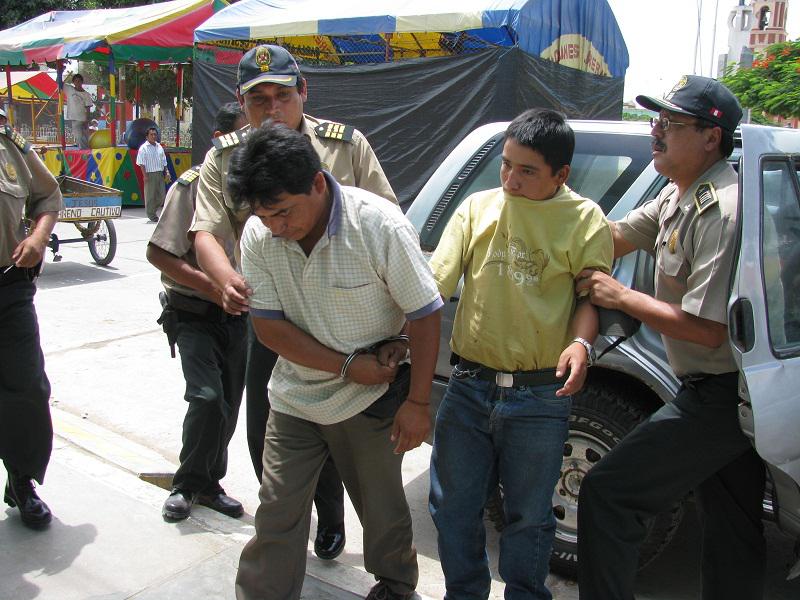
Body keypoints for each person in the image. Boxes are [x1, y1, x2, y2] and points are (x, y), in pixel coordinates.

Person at [190, 43, 396, 560]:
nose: (272, 109)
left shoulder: (345, 148)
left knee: (350, 439)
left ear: (304, 93)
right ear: (242, 102)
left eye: (282, 95)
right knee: (266, 435)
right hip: (273, 320)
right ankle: (304, 516)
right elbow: (207, 232)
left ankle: (341, 525)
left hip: (348, 318)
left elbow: (390, 218)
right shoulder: (225, 156)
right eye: (258, 99)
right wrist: (224, 280)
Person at [228, 123, 441, 600]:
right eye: (266, 216)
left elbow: (425, 315)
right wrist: (346, 366)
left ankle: (395, 585)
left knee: (382, 508)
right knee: (277, 511)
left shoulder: (378, 225)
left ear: (318, 184)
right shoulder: (259, 238)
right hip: (297, 395)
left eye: (284, 212)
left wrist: (419, 403)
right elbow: (269, 328)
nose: (277, 227)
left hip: (371, 394)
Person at [575, 76, 766, 599]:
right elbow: (613, 236)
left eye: (671, 123)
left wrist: (619, 297)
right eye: (657, 120)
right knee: (731, 527)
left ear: (711, 136)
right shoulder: (679, 193)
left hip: (724, 393)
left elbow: (707, 332)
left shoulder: (721, 210)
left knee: (608, 494)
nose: (655, 131)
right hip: (721, 390)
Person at [428, 108, 613, 599]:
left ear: (562, 174)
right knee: (451, 507)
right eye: (506, 165)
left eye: (527, 170)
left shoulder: (584, 220)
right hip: (468, 387)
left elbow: (591, 296)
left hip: (539, 396)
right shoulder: (476, 209)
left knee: (529, 517)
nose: (510, 179)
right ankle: (464, 592)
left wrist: (580, 343)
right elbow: (433, 287)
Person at [146, 102, 248, 521]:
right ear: (219, 140)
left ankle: (209, 483)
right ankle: (186, 485)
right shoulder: (191, 185)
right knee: (207, 399)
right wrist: (214, 285)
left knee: (229, 406)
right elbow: (158, 253)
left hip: (240, 317)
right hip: (194, 313)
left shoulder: (258, 183)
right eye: (241, 134)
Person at [1, 118, 63, 529]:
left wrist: (39, 238)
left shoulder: (8, 144)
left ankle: (22, 481)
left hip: (9, 287)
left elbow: (49, 196)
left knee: (27, 388)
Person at [136, 127, 171, 223]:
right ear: (147, 136)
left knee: (162, 196)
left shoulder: (159, 146)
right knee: (150, 196)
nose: (153, 136)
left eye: (155, 134)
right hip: (150, 174)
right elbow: (141, 163)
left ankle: (152, 210)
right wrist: (145, 175)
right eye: (151, 134)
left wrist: (167, 172)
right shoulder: (143, 148)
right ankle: (151, 215)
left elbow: (164, 161)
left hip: (159, 173)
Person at [64, 73, 93, 150]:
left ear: (82, 82)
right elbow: (58, 82)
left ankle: (85, 152)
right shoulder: (69, 89)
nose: (77, 83)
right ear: (73, 82)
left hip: (82, 119)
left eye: (79, 81)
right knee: (79, 137)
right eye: (76, 81)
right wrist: (60, 70)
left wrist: (87, 120)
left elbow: (88, 108)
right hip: (74, 118)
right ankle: (84, 152)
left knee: (82, 137)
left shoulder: (86, 94)